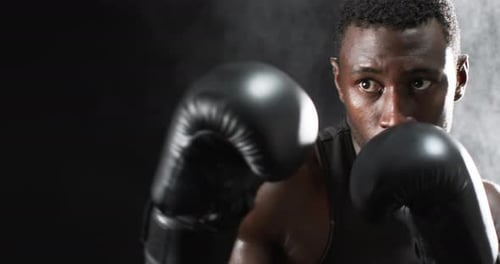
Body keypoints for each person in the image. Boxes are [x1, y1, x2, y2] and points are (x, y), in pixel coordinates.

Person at [229, 0, 500, 263]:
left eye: (419, 83)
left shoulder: (491, 211)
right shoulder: (289, 196)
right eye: (368, 84)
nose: (393, 117)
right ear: (339, 81)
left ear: (459, 78)